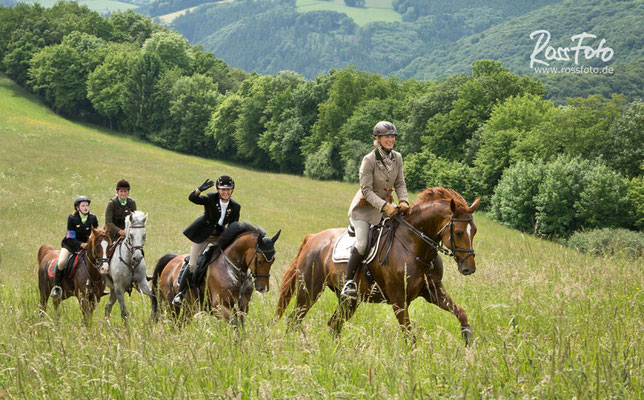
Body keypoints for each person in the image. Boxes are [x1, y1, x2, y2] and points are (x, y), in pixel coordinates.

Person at [341, 121, 410, 300]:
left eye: (393, 136)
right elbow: (366, 190)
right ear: (378, 139)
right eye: (387, 137)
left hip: (388, 209)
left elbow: (400, 183)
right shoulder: (369, 160)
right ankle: (349, 282)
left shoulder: (398, 157)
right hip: (364, 211)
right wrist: (383, 205)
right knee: (362, 243)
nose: (391, 139)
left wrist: (403, 200)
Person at [172, 175, 241, 305]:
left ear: (232, 190)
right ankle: (180, 293)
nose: (225, 192)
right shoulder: (210, 198)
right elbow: (193, 198)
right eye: (222, 189)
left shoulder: (235, 207)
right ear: (218, 189)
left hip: (219, 237)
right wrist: (199, 190)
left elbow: (233, 226)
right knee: (192, 264)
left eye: (228, 189)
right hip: (202, 235)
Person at [50, 196, 99, 298]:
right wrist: (81, 244)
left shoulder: (93, 218)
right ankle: (57, 287)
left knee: (99, 260)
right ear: (77, 208)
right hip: (70, 245)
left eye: (87, 205)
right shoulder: (72, 218)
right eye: (83, 206)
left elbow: (96, 234)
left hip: (87, 247)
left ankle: (100, 287)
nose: (86, 207)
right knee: (62, 262)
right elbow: (70, 237)